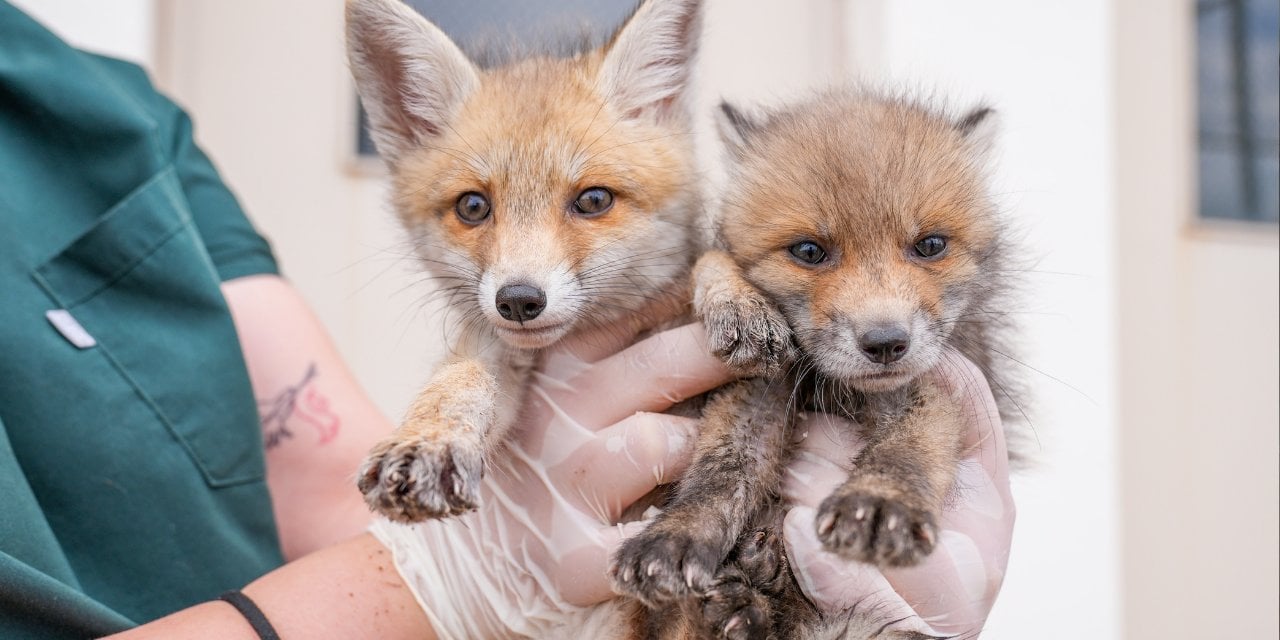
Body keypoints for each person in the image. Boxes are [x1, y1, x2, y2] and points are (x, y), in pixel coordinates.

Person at [0, 3, 1014, 639]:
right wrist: (447, 581)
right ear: (404, 129)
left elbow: (324, 469)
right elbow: (479, 364)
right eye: (474, 209)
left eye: (588, 203)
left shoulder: (110, 119)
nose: (520, 277)